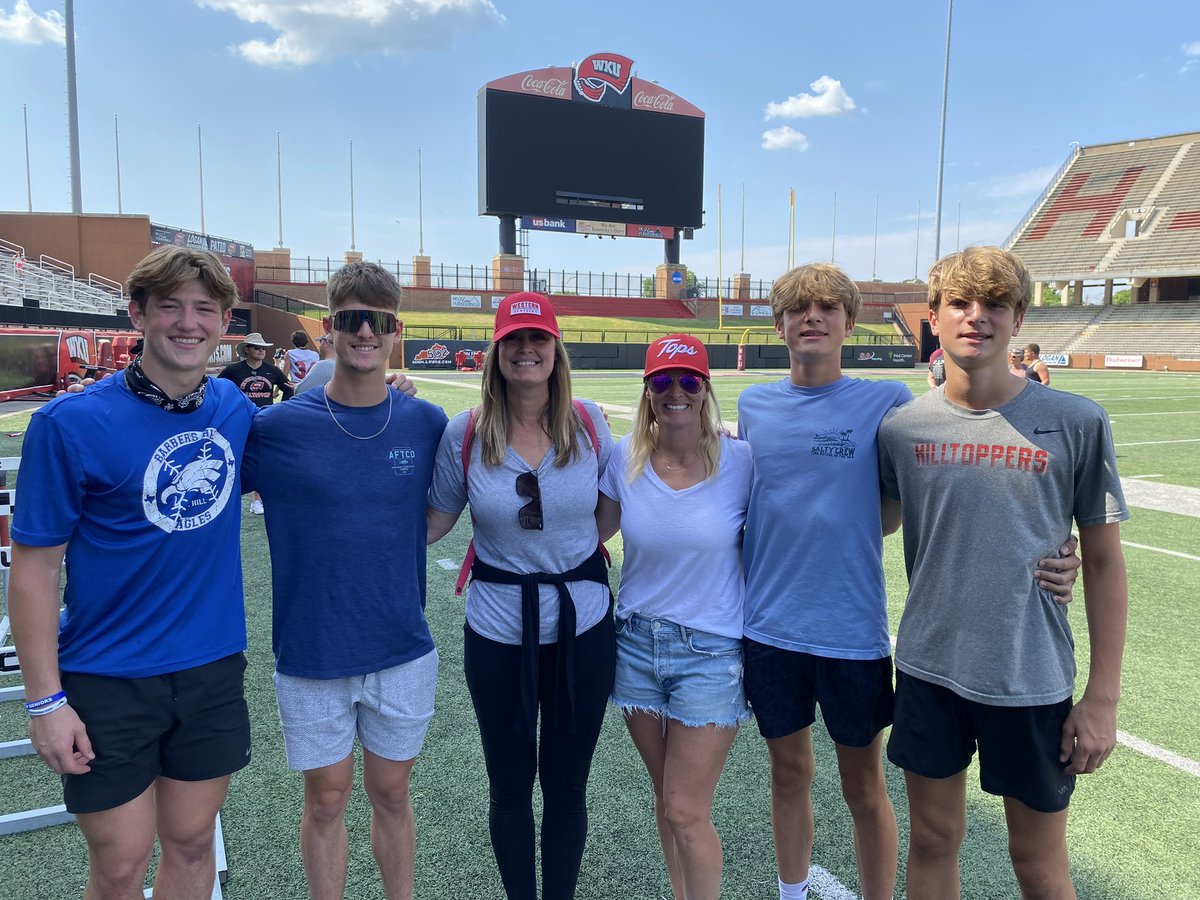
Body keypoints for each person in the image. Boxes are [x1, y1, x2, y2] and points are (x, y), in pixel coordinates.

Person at [736, 263, 1081, 900]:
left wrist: (1060, 542)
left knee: (863, 786)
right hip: (767, 625)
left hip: (851, 630)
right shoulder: (754, 404)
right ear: (778, 324)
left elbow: (906, 508)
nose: (811, 317)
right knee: (786, 773)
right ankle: (791, 891)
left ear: (848, 321)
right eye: (796, 309)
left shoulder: (888, 403)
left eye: (826, 307)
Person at [878, 246, 1128, 899]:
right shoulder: (901, 429)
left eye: (994, 303)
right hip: (930, 668)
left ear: (1017, 317)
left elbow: (1102, 562)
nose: (975, 316)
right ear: (932, 316)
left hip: (1029, 674)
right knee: (932, 841)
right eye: (959, 302)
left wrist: (1101, 697)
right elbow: (870, 522)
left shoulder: (1075, 421)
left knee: (1038, 862)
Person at [8, 245, 256, 900]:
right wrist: (44, 702)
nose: (187, 322)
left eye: (204, 308)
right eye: (169, 305)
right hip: (108, 678)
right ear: (137, 314)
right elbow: (33, 569)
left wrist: (388, 386)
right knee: (120, 867)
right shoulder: (69, 425)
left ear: (224, 320)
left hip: (210, 668)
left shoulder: (233, 411)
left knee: (194, 844)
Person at [243, 262, 447, 900]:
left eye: (377, 321)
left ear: (394, 332)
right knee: (327, 799)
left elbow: (446, 511)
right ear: (328, 328)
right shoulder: (274, 431)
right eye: (351, 319)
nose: (364, 332)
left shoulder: (426, 422)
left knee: (391, 792)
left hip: (399, 644)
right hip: (311, 649)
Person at [426, 292, 615, 900]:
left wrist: (560, 557)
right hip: (499, 633)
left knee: (566, 786)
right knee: (509, 785)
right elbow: (433, 523)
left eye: (538, 339)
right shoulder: (467, 432)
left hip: (581, 627)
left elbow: (608, 513)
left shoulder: (588, 422)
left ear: (556, 350)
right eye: (514, 339)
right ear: (496, 352)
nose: (526, 350)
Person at [595, 334, 753, 900]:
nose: (675, 392)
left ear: (705, 388)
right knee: (667, 800)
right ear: (647, 392)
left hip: (711, 654)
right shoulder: (623, 456)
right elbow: (590, 533)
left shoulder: (742, 462)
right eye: (662, 382)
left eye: (688, 380)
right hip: (634, 645)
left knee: (687, 808)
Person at [219, 332, 291, 514]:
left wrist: (281, 408)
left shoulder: (272, 370)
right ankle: (227, 495)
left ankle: (258, 499)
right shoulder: (233, 370)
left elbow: (288, 389)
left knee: (262, 458)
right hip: (239, 420)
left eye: (264, 348)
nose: (261, 351)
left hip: (264, 420)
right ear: (247, 350)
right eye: (257, 347)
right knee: (235, 456)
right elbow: (217, 390)